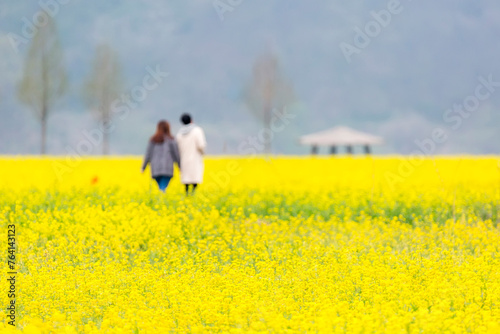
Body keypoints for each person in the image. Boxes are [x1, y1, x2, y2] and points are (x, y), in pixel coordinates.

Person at [141, 120, 181, 192]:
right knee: (163, 187)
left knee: (161, 186)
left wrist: (143, 167)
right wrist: (179, 166)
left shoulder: (153, 140)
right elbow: (176, 154)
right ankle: (161, 198)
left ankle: (160, 198)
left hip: (155, 168)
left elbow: (148, 154)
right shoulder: (171, 140)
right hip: (167, 168)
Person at [176, 113, 206, 195]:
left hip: (184, 159)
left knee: (186, 178)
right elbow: (201, 145)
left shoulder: (179, 134)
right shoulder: (197, 131)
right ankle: (193, 194)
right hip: (195, 158)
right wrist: (203, 153)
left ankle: (187, 194)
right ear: (191, 120)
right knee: (194, 177)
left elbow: (177, 148)